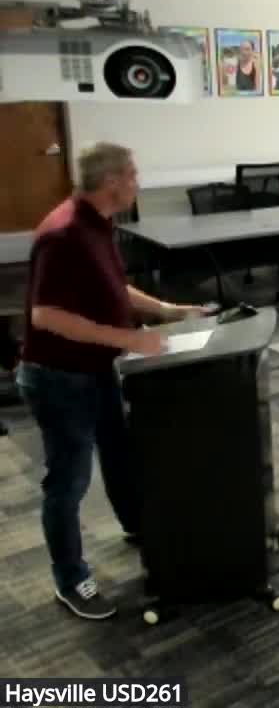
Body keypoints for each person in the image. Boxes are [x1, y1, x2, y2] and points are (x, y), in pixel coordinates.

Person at [18, 142, 211, 620]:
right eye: (133, 175)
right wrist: (128, 338)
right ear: (110, 182)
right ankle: (70, 579)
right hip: (59, 378)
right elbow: (46, 316)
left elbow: (111, 287)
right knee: (68, 481)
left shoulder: (98, 222)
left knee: (120, 453)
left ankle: (137, 525)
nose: (138, 182)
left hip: (97, 368)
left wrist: (167, 310)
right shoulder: (63, 233)